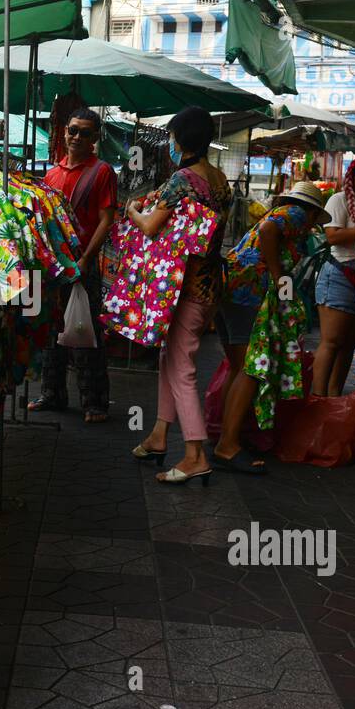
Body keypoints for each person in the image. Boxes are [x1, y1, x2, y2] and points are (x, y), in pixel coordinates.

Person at [125, 107, 231, 485]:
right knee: (171, 359)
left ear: (179, 140)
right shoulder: (219, 179)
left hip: (182, 287)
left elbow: (152, 227)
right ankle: (158, 436)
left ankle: (194, 454)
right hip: (209, 285)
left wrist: (133, 210)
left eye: (170, 137)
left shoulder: (181, 180)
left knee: (182, 368)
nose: (169, 143)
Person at [211, 181, 330, 474]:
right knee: (252, 369)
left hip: (230, 288)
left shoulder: (281, 212)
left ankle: (224, 436)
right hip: (249, 292)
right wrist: (279, 277)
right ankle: (226, 446)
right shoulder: (296, 214)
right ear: (313, 211)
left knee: (238, 366)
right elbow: (268, 233)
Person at [30, 108, 119, 422]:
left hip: (83, 264)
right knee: (53, 329)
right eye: (72, 130)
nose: (77, 137)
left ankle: (94, 402)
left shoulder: (102, 172)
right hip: (55, 266)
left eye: (84, 132)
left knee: (86, 332)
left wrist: (85, 260)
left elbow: (106, 220)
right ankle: (51, 394)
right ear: (63, 132)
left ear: (95, 138)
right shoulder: (52, 174)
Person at [312, 153, 355, 397]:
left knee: (348, 346)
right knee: (331, 343)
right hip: (340, 276)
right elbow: (332, 236)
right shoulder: (338, 200)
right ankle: (318, 400)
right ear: (354, 175)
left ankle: (334, 400)